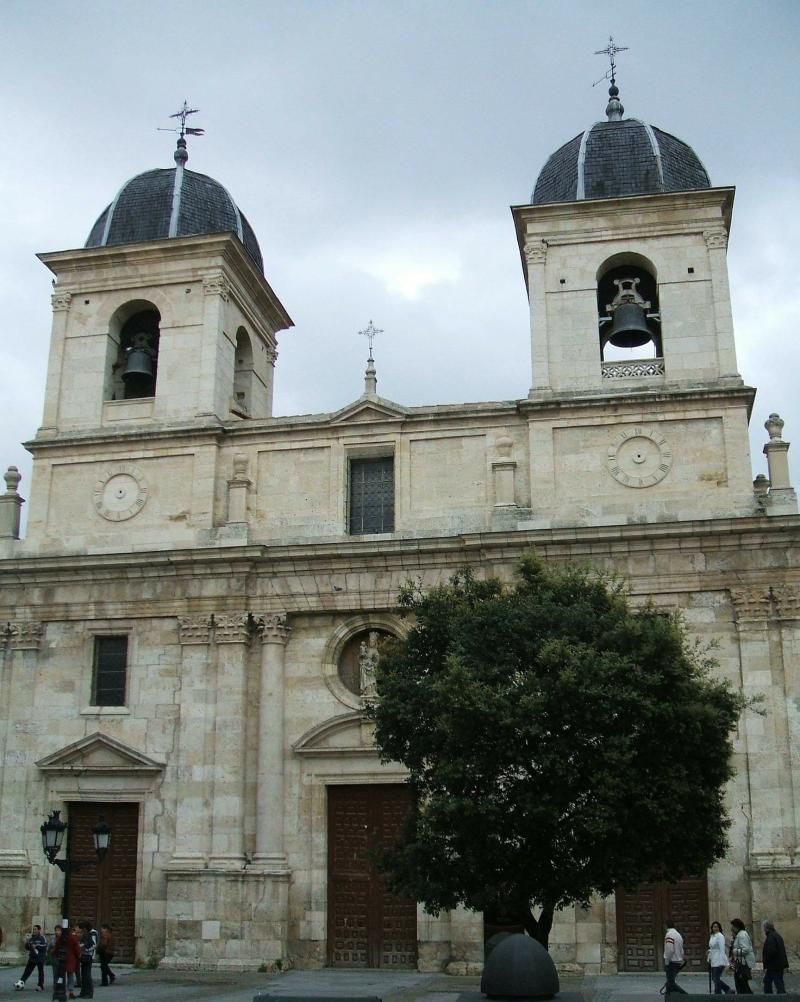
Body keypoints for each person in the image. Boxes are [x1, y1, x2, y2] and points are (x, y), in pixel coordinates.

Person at [15, 923, 47, 991]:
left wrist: (36, 946)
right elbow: (27, 948)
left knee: (41, 972)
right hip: (32, 958)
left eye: (35, 929)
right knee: (27, 971)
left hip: (40, 958)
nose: (34, 930)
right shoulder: (31, 939)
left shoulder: (42, 938)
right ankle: (21, 983)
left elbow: (44, 946)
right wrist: (27, 943)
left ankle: (40, 985)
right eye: (33, 929)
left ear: (39, 930)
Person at [762, 920, 789, 994]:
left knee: (776, 982)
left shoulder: (771, 937)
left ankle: (777, 997)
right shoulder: (777, 935)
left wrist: (766, 961)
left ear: (767, 928)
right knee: (770, 981)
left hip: (774, 966)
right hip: (776, 965)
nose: (763, 929)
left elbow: (771, 951)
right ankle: (774, 997)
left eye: (764, 927)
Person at [731, 918, 755, 994]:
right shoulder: (740, 935)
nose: (732, 928)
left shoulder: (742, 935)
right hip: (741, 963)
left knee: (742, 984)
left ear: (736, 927)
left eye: (733, 926)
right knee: (741, 983)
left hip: (744, 963)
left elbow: (745, 949)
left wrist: (734, 951)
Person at [709, 920, 734, 994]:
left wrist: (721, 962)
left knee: (715, 978)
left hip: (719, 960)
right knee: (715, 978)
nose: (715, 928)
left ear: (719, 928)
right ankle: (728, 990)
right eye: (714, 927)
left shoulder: (720, 936)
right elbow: (713, 948)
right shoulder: (712, 936)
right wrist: (709, 952)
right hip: (714, 960)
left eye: (717, 927)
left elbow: (722, 949)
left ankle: (718, 994)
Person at [664, 919, 688, 994]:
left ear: (666, 926)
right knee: (669, 983)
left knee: (671, 983)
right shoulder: (678, 935)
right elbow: (682, 950)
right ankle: (668, 996)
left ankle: (686, 996)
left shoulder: (669, 935)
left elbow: (670, 949)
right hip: (678, 961)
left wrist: (667, 961)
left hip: (672, 962)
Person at [77, 920, 98, 999]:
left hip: (89, 956)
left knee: (87, 975)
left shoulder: (93, 933)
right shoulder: (86, 933)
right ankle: (83, 992)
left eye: (83, 929)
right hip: (84, 956)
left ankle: (89, 993)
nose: (82, 930)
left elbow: (93, 944)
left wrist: (85, 949)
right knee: (84, 975)